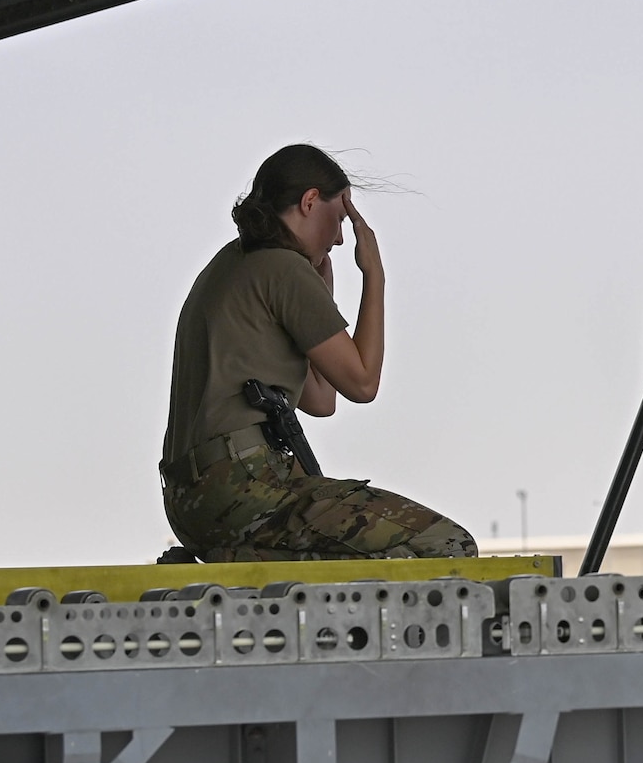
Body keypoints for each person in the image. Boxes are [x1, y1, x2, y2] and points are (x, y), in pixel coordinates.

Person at [160, 144, 477, 562]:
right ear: (310, 202)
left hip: (194, 503)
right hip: (245, 487)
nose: (342, 238)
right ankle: (238, 561)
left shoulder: (231, 264)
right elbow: (362, 385)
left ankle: (238, 561)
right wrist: (374, 275)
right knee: (448, 546)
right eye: (340, 218)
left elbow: (321, 401)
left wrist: (322, 296)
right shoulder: (283, 268)